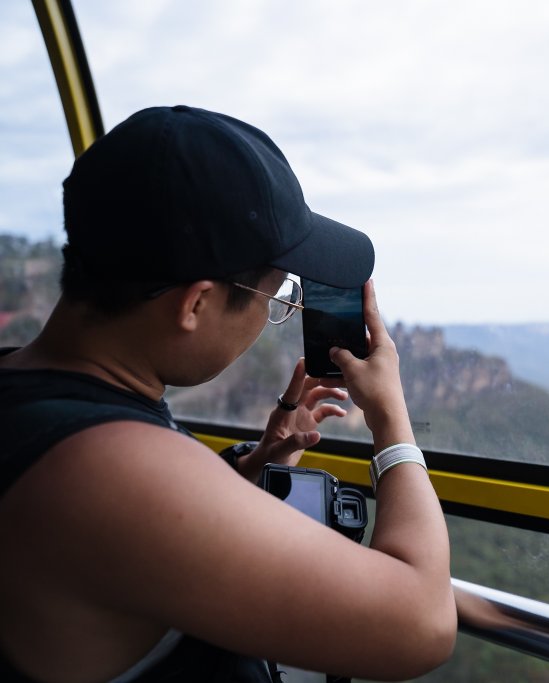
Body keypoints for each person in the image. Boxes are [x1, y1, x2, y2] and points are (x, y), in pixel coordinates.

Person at [0, 105, 456, 682]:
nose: (275, 311)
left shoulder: (29, 390)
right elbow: (422, 622)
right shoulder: (108, 470)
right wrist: (391, 421)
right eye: (274, 295)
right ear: (196, 304)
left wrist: (252, 468)